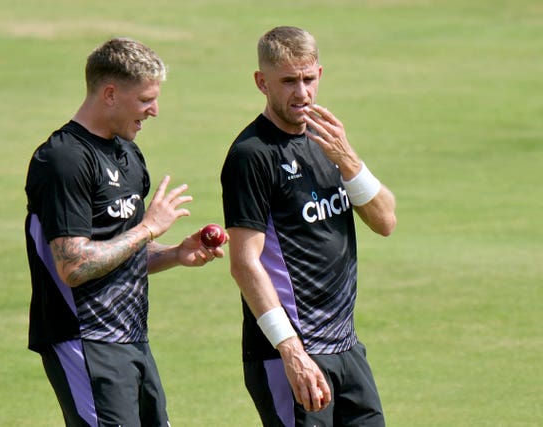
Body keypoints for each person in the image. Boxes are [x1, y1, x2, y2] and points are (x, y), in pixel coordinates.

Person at [24, 37, 226, 427]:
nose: (155, 110)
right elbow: (75, 266)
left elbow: (116, 252)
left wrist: (174, 254)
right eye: (146, 99)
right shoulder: (63, 160)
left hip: (131, 338)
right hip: (85, 339)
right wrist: (148, 229)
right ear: (111, 94)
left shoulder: (128, 154)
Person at [220, 26, 397, 426]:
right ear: (261, 82)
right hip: (292, 355)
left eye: (308, 79)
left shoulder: (328, 141)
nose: (301, 93)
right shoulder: (252, 156)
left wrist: (349, 159)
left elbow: (385, 221)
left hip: (347, 349)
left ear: (320, 74)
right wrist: (292, 353)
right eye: (287, 81)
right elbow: (244, 263)